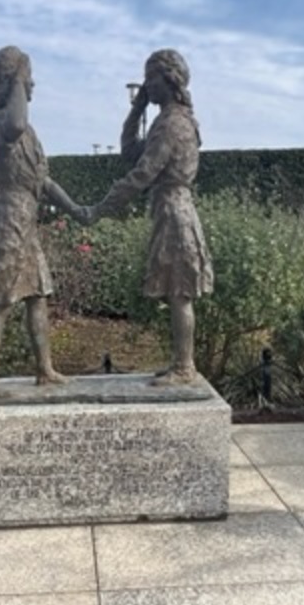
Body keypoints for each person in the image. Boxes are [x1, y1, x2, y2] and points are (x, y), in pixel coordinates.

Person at [81, 49, 213, 386]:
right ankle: (180, 363)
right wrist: (136, 108)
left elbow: (142, 174)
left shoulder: (172, 124)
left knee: (180, 293)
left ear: (167, 80)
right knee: (176, 292)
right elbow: (129, 152)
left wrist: (100, 208)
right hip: (168, 211)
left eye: (150, 78)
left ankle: (185, 367)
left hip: (175, 213)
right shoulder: (167, 119)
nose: (146, 86)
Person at [0, 46, 84, 398]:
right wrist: (19, 78)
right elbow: (16, 123)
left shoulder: (29, 132)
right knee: (1, 303)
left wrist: (77, 209)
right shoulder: (0, 123)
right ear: (14, 82)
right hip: (9, 220)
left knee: (38, 296)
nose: (32, 85)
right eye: (27, 79)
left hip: (26, 222)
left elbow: (43, 181)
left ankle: (45, 370)